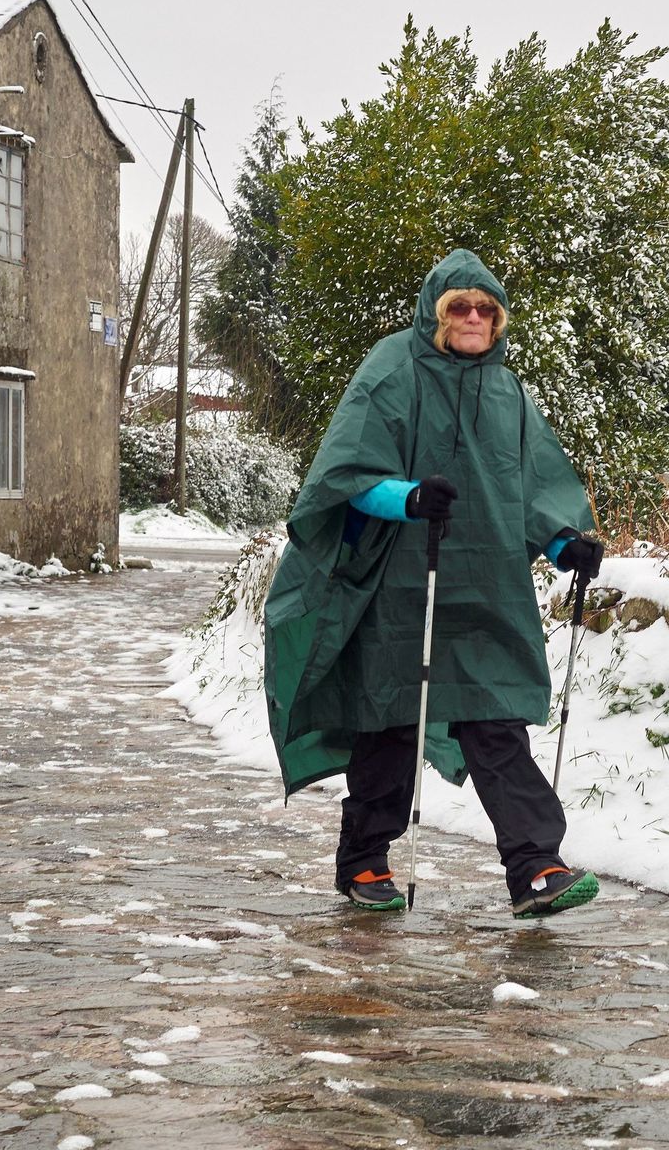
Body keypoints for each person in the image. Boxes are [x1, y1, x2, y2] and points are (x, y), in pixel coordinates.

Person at [263, 249, 605, 919]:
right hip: (400, 583)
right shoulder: (393, 367)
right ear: (435, 313)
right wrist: (409, 497)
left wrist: (566, 543)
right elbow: (347, 474)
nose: (474, 319)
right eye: (460, 308)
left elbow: (530, 487)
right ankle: (363, 861)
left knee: (495, 720)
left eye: (486, 309)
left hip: (486, 585)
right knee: (390, 722)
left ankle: (536, 867)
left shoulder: (507, 391)